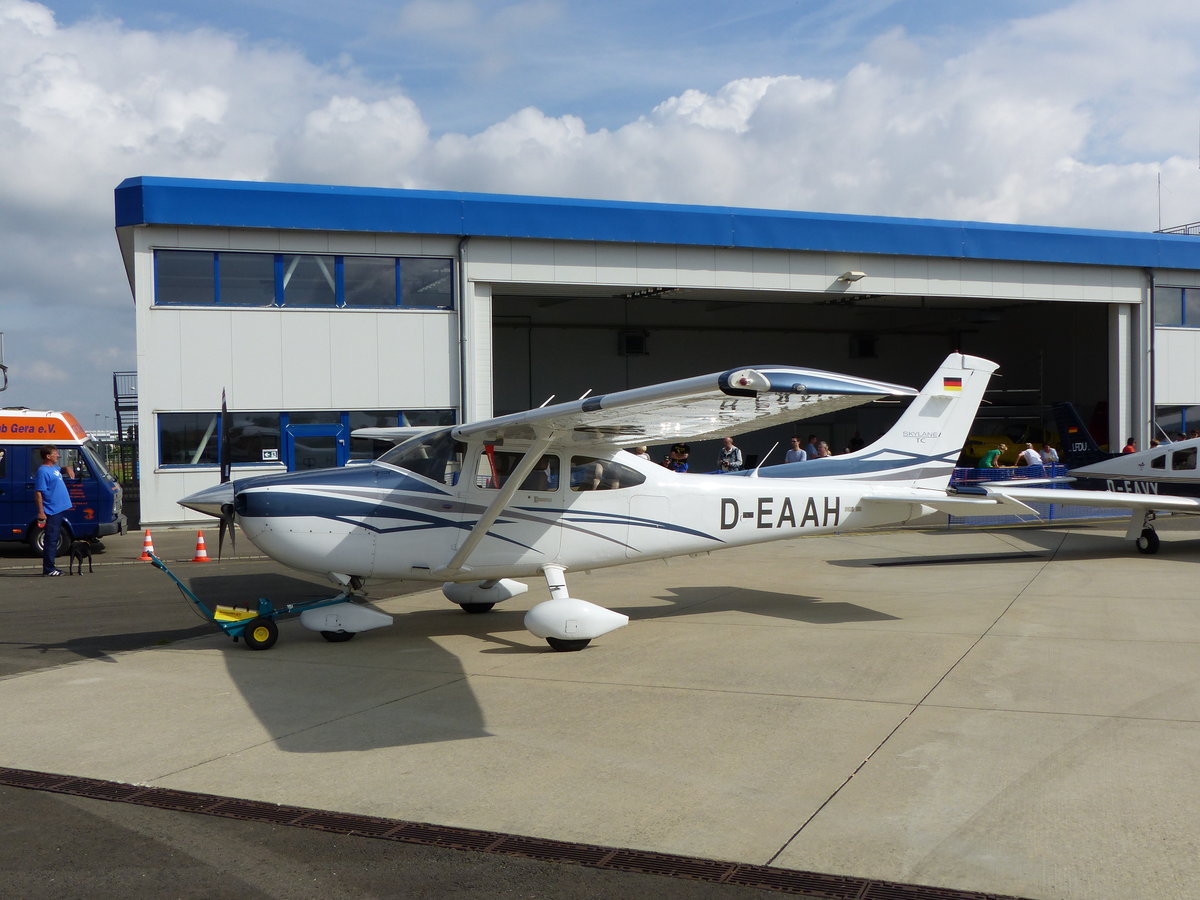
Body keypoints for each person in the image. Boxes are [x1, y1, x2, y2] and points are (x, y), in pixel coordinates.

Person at [34, 444, 73, 577]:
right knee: (51, 539)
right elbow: (38, 492)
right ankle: (49, 569)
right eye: (55, 453)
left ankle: (50, 567)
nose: (58, 455)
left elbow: (59, 470)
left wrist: (66, 468)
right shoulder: (43, 471)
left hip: (59, 508)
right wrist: (41, 512)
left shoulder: (53, 468)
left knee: (54, 538)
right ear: (48, 456)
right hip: (51, 510)